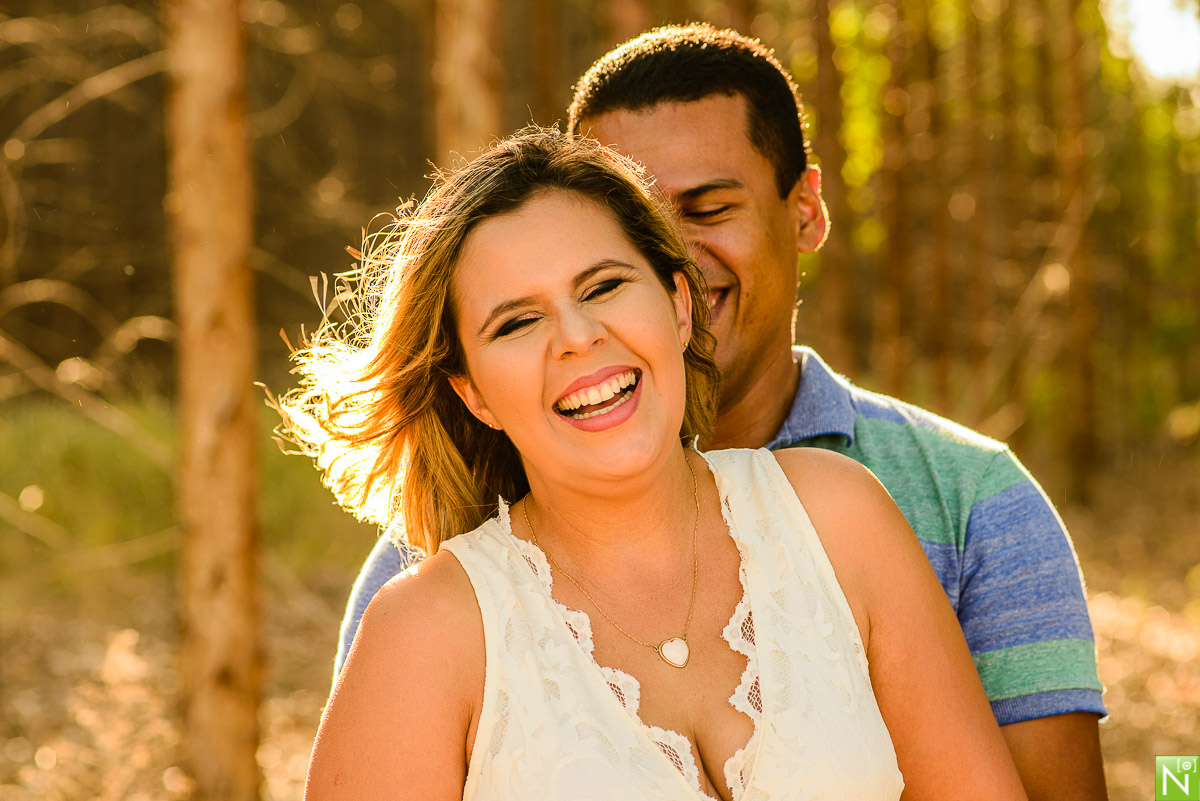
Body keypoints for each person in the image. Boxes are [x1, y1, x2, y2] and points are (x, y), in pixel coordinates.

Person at [335, 24, 1107, 800]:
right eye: (516, 320)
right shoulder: (421, 601)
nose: (579, 337)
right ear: (470, 390)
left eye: (604, 283)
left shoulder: (865, 510)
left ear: (675, 305)